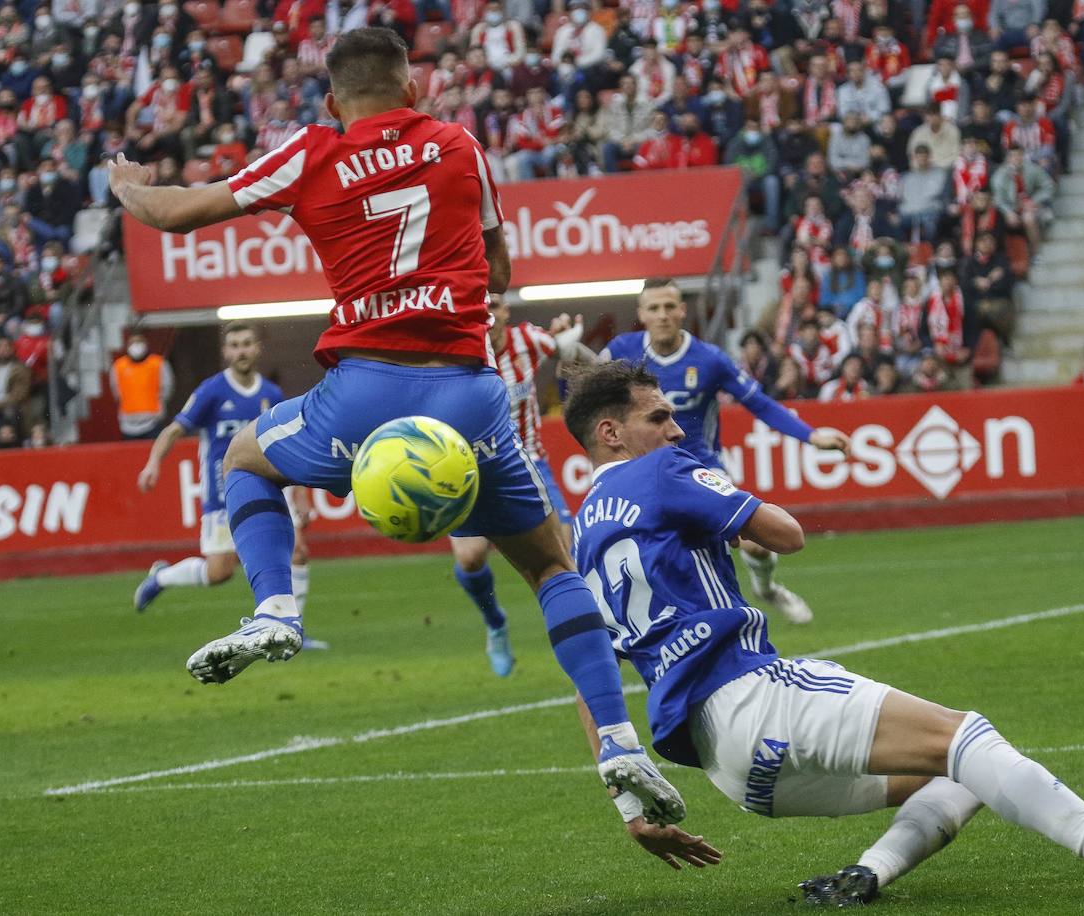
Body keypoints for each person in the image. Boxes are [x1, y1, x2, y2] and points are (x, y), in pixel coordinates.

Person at [106, 27, 684, 826]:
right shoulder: (459, 145)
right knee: (552, 570)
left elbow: (175, 214)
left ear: (335, 100)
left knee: (246, 455)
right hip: (468, 397)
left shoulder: (313, 150)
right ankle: (618, 739)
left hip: (362, 393)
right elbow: (503, 274)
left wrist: (128, 185)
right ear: (412, 90)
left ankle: (276, 609)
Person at [562, 360, 1084, 898]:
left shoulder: (581, 534)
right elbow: (785, 534)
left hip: (728, 768)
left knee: (966, 771)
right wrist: (719, 504)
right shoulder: (661, 470)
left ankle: (865, 877)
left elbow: (587, 683)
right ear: (612, 433)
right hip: (753, 695)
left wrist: (633, 812)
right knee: (965, 735)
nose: (677, 431)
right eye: (660, 418)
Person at [599, 278, 850, 625]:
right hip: (640, 475)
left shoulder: (710, 359)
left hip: (699, 467)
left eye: (669, 306)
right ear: (641, 313)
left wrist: (811, 436)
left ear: (682, 310)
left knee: (756, 543)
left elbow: (760, 403)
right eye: (654, 308)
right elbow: (583, 399)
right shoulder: (619, 352)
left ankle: (766, 589)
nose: (662, 315)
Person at [131, 325, 323, 656]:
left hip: (271, 488)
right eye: (234, 345)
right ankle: (162, 577)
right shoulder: (212, 391)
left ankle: (294, 628)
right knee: (220, 572)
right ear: (226, 352)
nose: (241, 351)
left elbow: (292, 445)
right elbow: (175, 430)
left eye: (247, 344)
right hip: (224, 494)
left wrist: (301, 495)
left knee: (298, 552)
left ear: (257, 349)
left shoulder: (272, 395)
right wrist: (152, 464)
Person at [450, 297, 590, 678]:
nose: (489, 313)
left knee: (566, 560)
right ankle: (495, 623)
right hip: (470, 470)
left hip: (531, 464)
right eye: (481, 305)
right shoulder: (454, 351)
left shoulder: (528, 341)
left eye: (495, 303)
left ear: (507, 310)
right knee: (470, 558)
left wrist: (567, 335)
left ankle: (589, 646)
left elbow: (565, 346)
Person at [109, 330, 174, 440]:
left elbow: (167, 387)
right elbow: (116, 390)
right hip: (128, 424)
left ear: (146, 344)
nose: (136, 346)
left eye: (139, 342)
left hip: (153, 421)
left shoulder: (158, 363)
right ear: (127, 345)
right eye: (133, 343)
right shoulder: (118, 366)